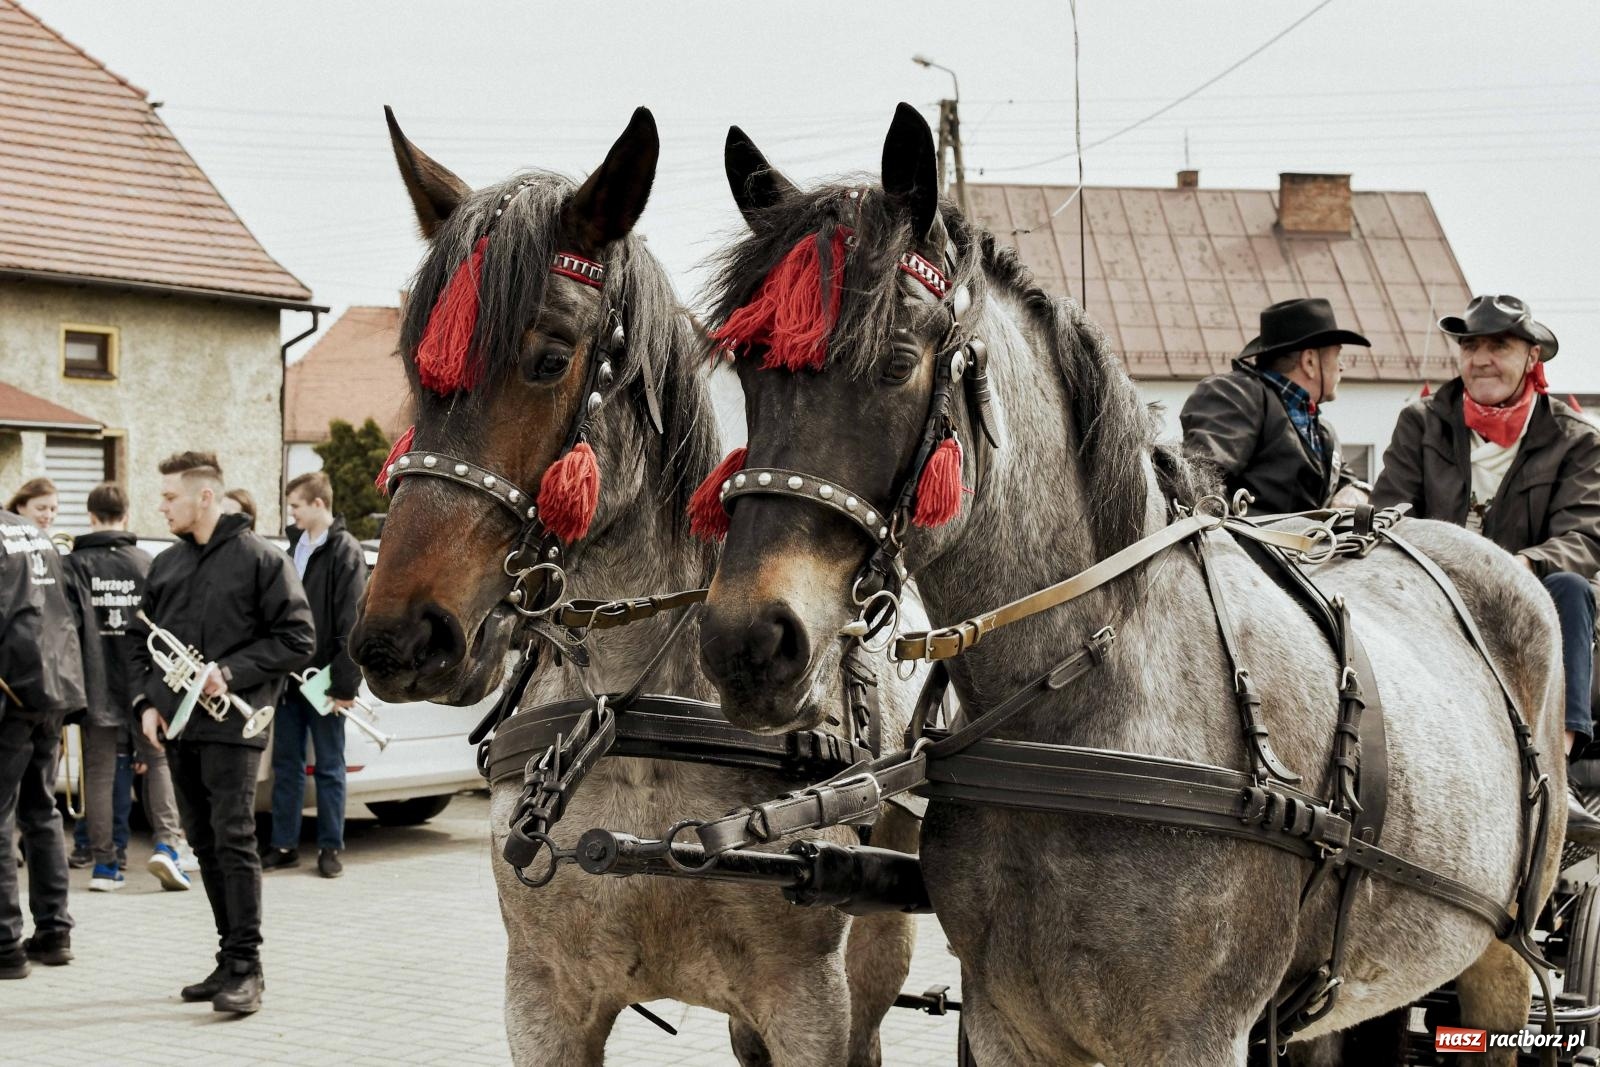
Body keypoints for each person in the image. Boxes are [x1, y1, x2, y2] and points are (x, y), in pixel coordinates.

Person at [1372, 294, 1600, 846]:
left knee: (1570, 589)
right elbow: (1390, 513)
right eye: (1470, 345)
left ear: (1532, 357)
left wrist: (1522, 565)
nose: (1481, 359)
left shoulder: (1574, 437)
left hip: (1529, 595)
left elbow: (1586, 535)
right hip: (1431, 582)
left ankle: (1556, 770)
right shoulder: (1422, 422)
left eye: (1499, 345)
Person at [129, 452, 313, 1013]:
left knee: (233, 838)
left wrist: (228, 673)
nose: (161, 506)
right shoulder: (166, 565)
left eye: (169, 497)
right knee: (204, 842)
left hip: (235, 723)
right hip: (177, 727)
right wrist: (146, 704)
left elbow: (297, 639)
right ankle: (227, 955)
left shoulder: (262, 560)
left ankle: (248, 967)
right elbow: (142, 644)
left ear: (204, 496)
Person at [63, 483, 191, 893]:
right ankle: (168, 846)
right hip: (144, 680)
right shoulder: (145, 562)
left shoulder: (73, 565)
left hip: (94, 680)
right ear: (126, 515)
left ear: (91, 515)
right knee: (158, 760)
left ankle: (104, 866)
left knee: (99, 771)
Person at [265, 472, 367, 879]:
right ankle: (284, 845)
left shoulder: (345, 551)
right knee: (285, 765)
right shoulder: (294, 547)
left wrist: (344, 684)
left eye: (296, 506)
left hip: (324, 680)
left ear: (319, 505)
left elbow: (350, 622)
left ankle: (329, 847)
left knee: (328, 766)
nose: (291, 514)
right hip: (290, 678)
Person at [1181, 297, 1373, 514]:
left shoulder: (1323, 431)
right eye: (1337, 355)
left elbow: (1348, 483)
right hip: (1240, 546)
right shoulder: (1237, 394)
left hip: (1310, 546)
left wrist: (1358, 490)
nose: (1342, 366)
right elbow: (1201, 483)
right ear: (1310, 362)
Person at [0, 505, 85, 979]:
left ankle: (5, 942)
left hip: (11, 692)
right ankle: (54, 932)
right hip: (50, 686)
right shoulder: (31, 531)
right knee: (40, 810)